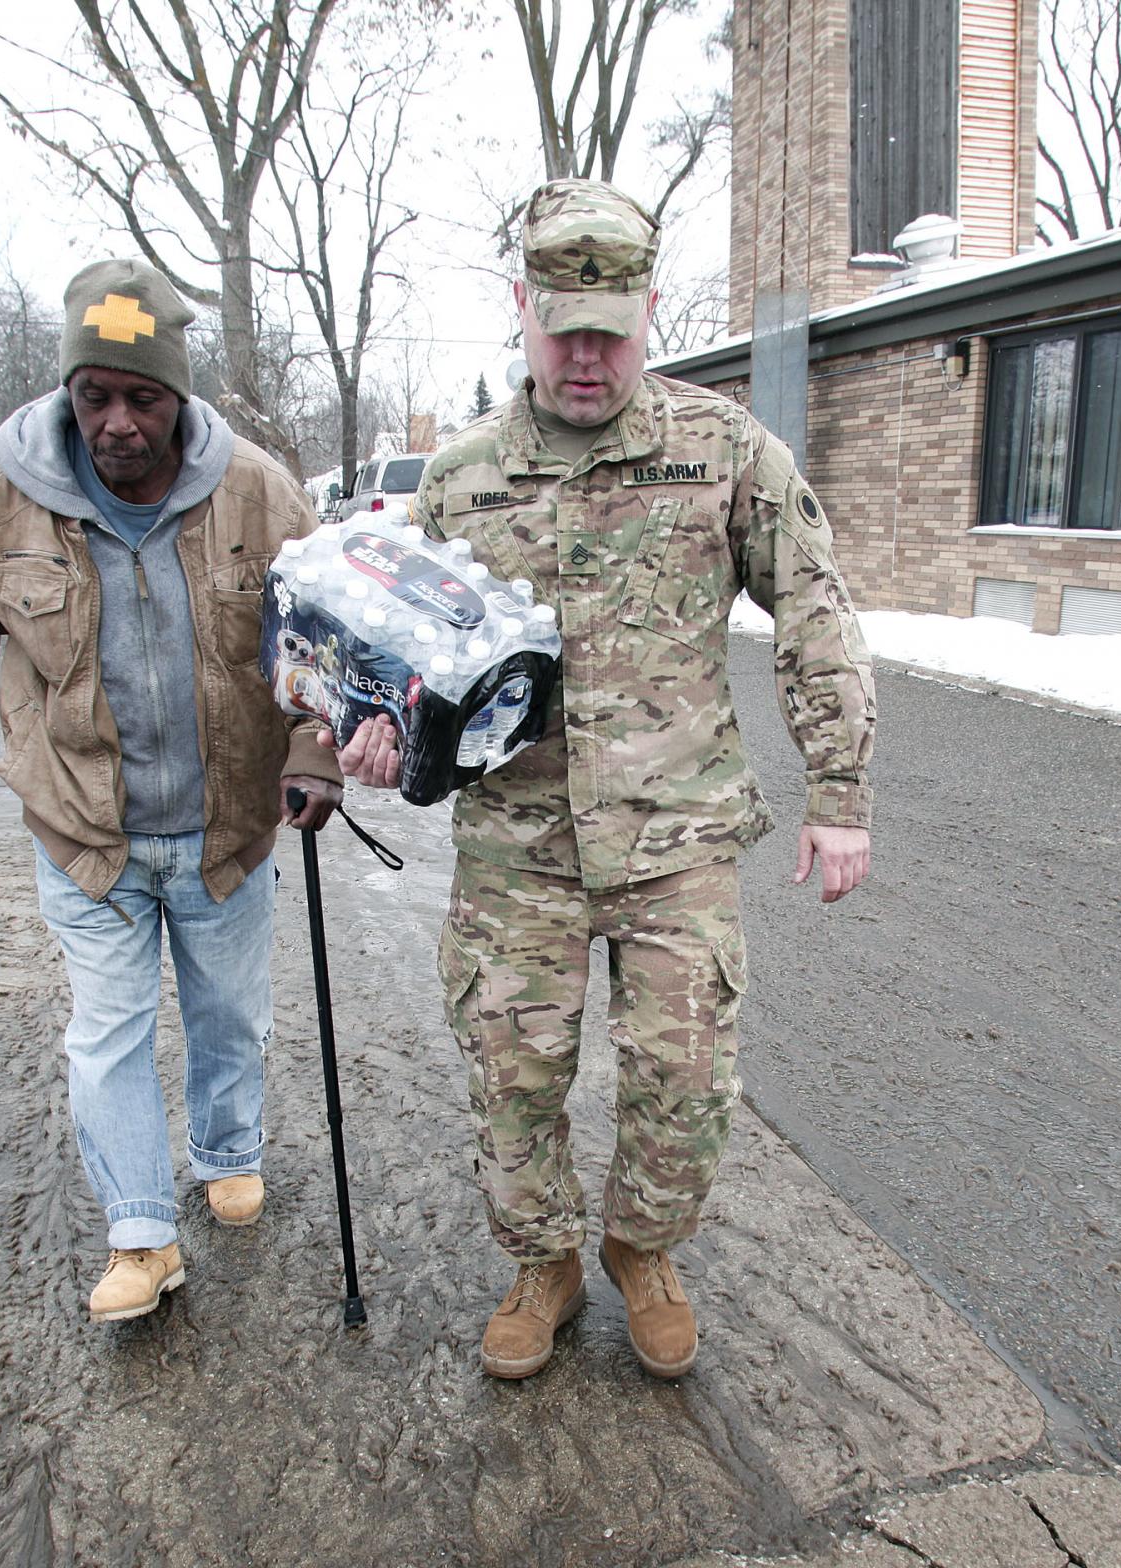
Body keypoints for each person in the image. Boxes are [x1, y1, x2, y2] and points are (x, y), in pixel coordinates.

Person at [333, 179, 876, 1379]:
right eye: (563, 328)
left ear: (648, 315)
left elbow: (816, 612)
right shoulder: (459, 479)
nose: (587, 358)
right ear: (521, 309)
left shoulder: (721, 450)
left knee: (684, 1076)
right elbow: (398, 659)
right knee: (508, 1077)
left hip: (675, 839)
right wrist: (372, 729)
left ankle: (642, 1247)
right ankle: (545, 1262)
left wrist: (838, 790)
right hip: (515, 848)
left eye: (613, 332)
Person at [0, 258, 343, 1324]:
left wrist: (315, 742)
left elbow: (322, 628)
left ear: (178, 396)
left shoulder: (257, 491)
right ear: (69, 393)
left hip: (223, 824)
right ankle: (140, 1232)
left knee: (228, 1012)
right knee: (108, 1029)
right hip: (82, 826)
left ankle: (229, 1148)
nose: (117, 420)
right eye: (95, 394)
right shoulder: (9, 495)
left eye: (141, 396)